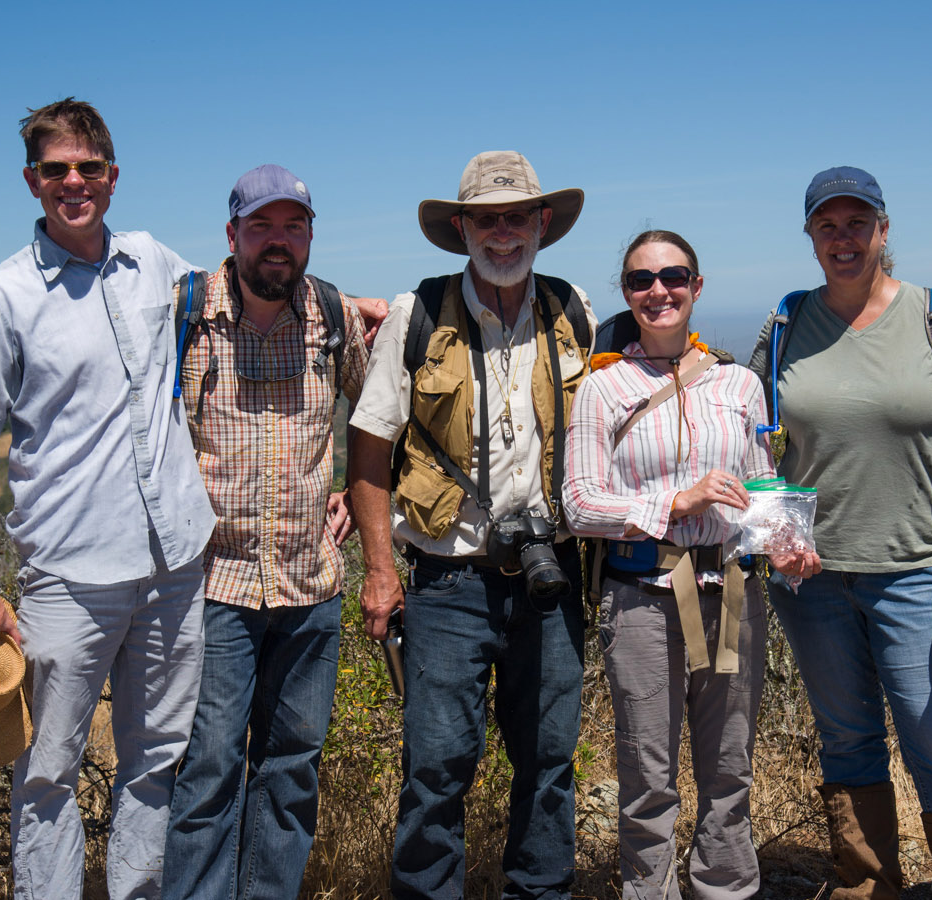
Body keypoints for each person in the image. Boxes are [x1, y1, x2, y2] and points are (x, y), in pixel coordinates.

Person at [0, 97, 214, 899]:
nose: (74, 182)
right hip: (69, 573)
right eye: (56, 169)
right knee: (48, 774)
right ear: (32, 181)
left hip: (175, 561)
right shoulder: (1, 295)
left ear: (113, 177)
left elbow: (242, 301)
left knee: (156, 761)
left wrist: (361, 306)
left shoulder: (154, 261)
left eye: (88, 168)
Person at [747, 167, 932, 900]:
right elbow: (752, 440)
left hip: (918, 572)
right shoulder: (785, 325)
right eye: (827, 226)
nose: (843, 239)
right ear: (809, 237)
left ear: (884, 231)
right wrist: (772, 534)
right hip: (810, 579)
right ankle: (868, 889)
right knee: (849, 742)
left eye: (857, 223)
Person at [349, 150, 595, 899]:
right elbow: (366, 450)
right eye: (486, 220)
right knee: (436, 769)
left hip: (550, 576)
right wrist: (381, 572)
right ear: (461, 228)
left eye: (516, 216)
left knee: (549, 763)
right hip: (445, 581)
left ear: (542, 223)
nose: (502, 233)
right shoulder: (418, 315)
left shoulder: (570, 309)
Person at [563, 230, 821, 898]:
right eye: (642, 281)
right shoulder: (602, 390)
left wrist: (787, 546)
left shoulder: (737, 385)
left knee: (729, 770)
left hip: (732, 590)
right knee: (648, 778)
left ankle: (726, 890)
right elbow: (580, 504)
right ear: (626, 294)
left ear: (697, 287)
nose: (659, 292)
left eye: (674, 277)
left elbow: (759, 490)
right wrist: (675, 502)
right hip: (643, 596)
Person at [162, 165, 375, 900]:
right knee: (209, 772)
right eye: (262, 226)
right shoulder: (186, 314)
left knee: (291, 770)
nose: (278, 242)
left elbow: (383, 419)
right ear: (233, 235)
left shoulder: (332, 317)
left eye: (294, 226)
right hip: (212, 587)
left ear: (311, 235)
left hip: (310, 585)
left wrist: (357, 488)